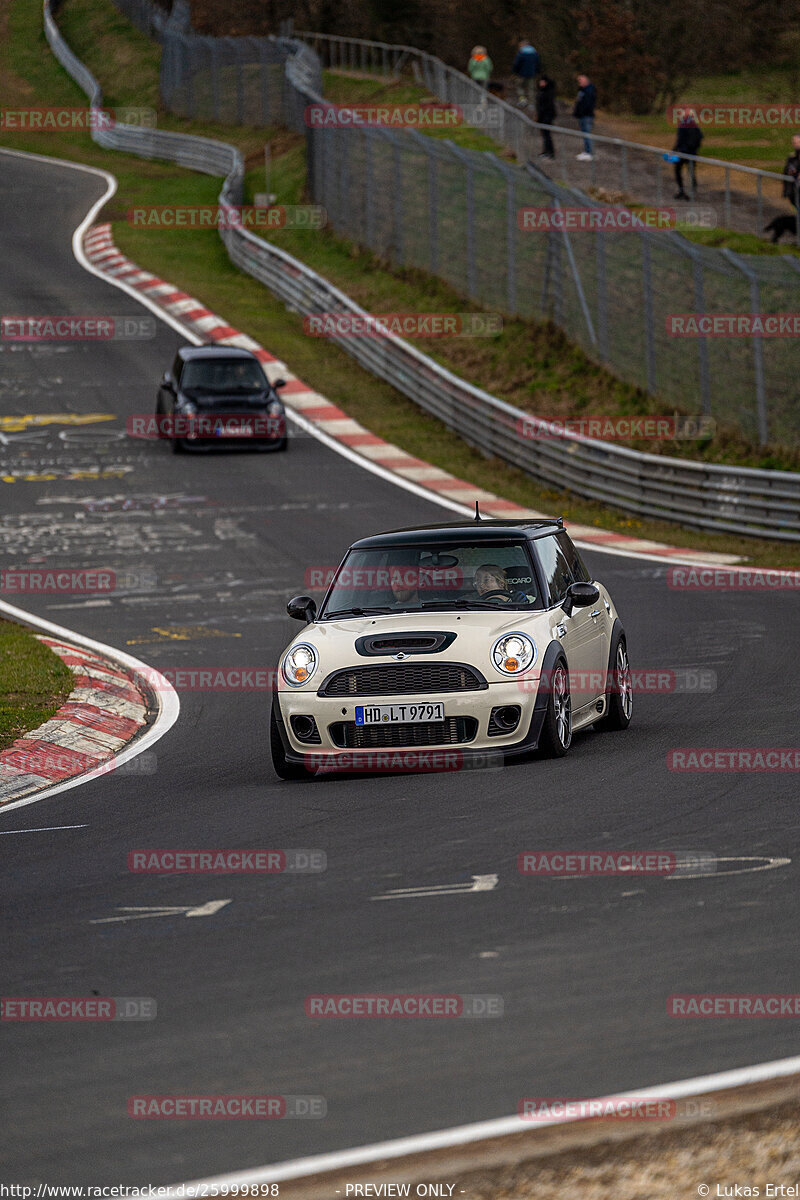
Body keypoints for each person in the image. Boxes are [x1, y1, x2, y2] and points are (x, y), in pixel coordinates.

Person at [673, 110, 703, 200]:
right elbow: (700, 137)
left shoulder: (683, 125)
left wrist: (675, 150)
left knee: (679, 171)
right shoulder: (694, 126)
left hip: (683, 153)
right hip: (691, 153)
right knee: (691, 172)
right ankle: (691, 192)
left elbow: (680, 140)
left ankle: (682, 190)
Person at [573, 73, 596, 161]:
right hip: (582, 115)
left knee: (587, 133)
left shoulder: (589, 90)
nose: (579, 82)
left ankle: (590, 152)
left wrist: (582, 112)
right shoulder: (582, 90)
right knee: (584, 133)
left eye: (581, 80)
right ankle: (587, 151)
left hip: (587, 116)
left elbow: (588, 104)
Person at [512, 38, 539, 107]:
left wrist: (515, 71)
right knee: (531, 88)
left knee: (519, 87)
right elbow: (537, 63)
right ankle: (531, 103)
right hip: (532, 73)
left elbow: (517, 64)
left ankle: (523, 100)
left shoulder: (521, 53)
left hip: (521, 73)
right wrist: (537, 71)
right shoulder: (534, 53)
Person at [536, 75, 557, 159]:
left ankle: (550, 152)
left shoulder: (548, 92)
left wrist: (546, 116)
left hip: (546, 117)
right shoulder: (542, 91)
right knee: (545, 135)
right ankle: (546, 151)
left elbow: (548, 106)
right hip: (543, 116)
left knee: (547, 135)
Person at [781, 133, 800, 212]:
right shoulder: (791, 158)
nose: (794, 144)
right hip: (793, 191)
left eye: (797, 142)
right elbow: (787, 171)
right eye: (794, 142)